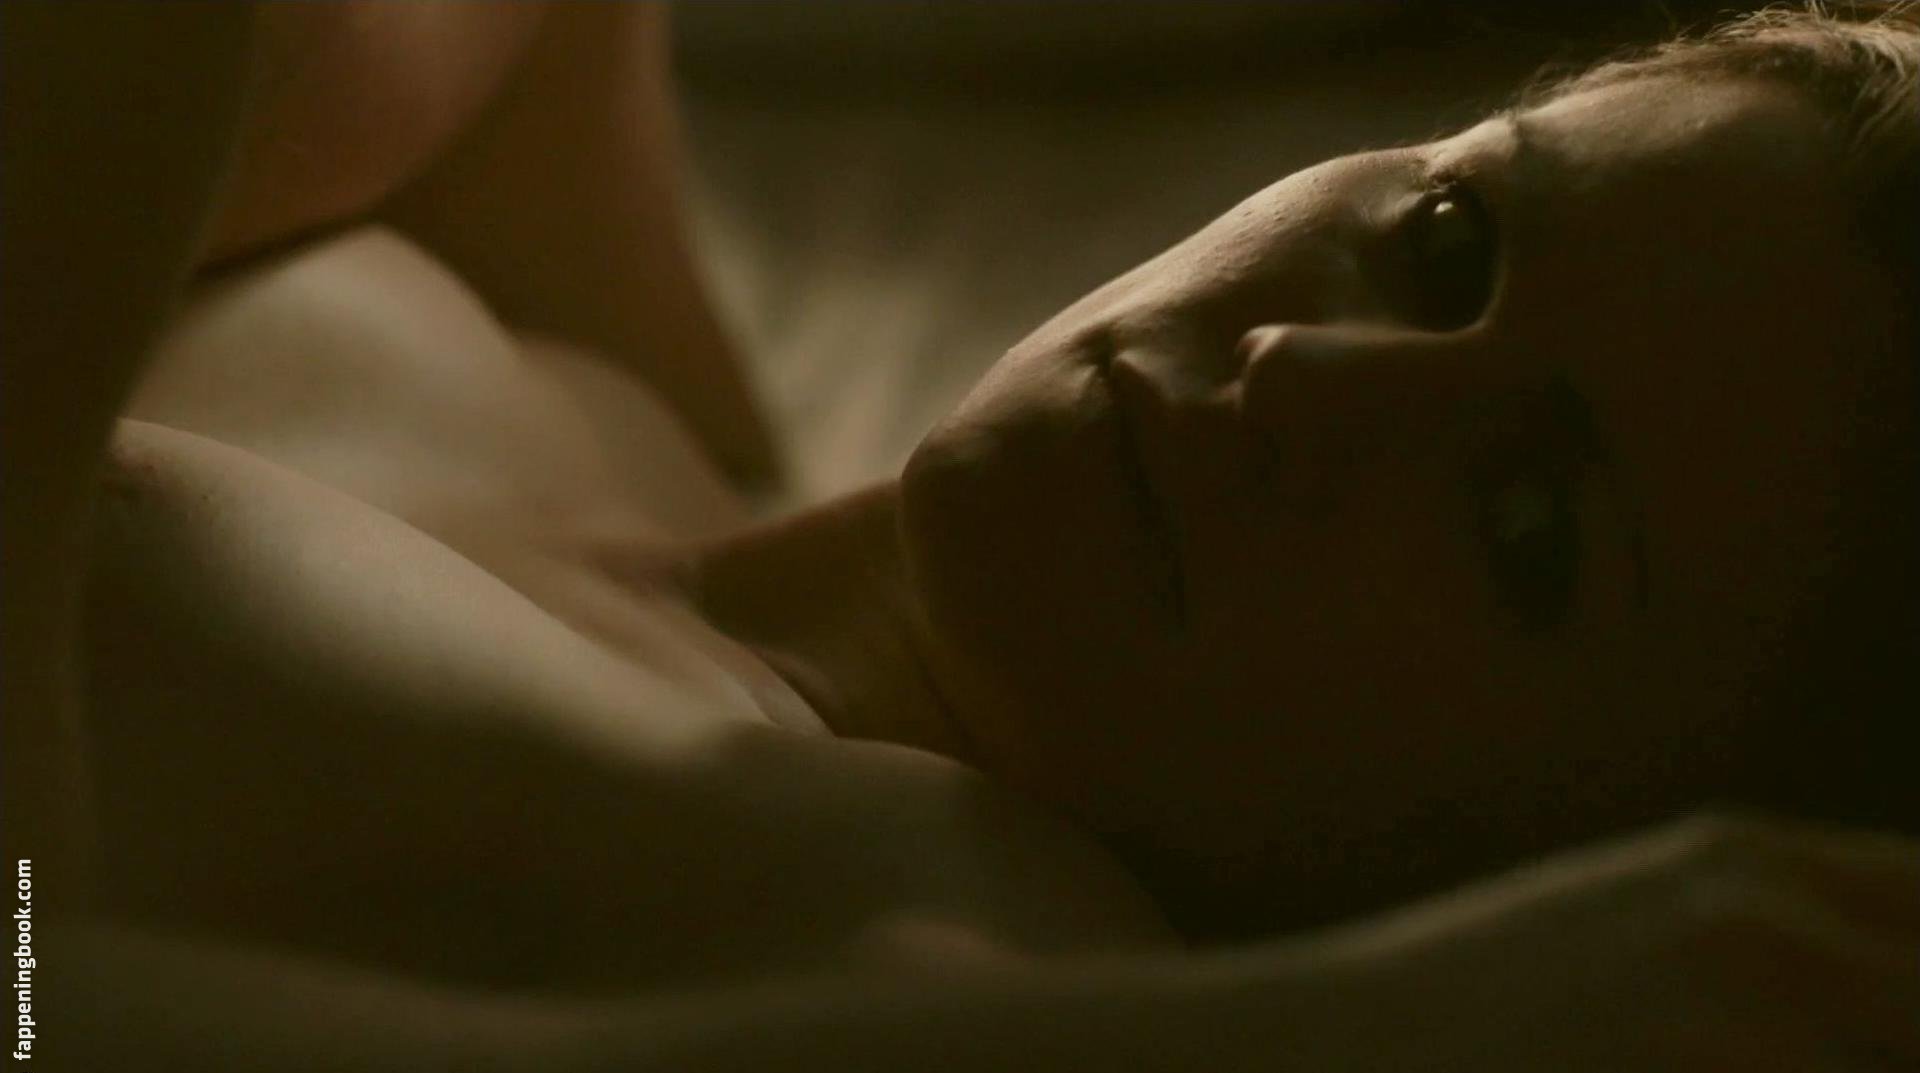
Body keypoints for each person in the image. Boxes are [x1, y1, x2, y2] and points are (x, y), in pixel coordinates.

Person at [4, 2, 1916, 1069]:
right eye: (1445, 241)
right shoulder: (637, 394)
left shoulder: (921, 929)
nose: (1303, 377)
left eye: (1525, 528)